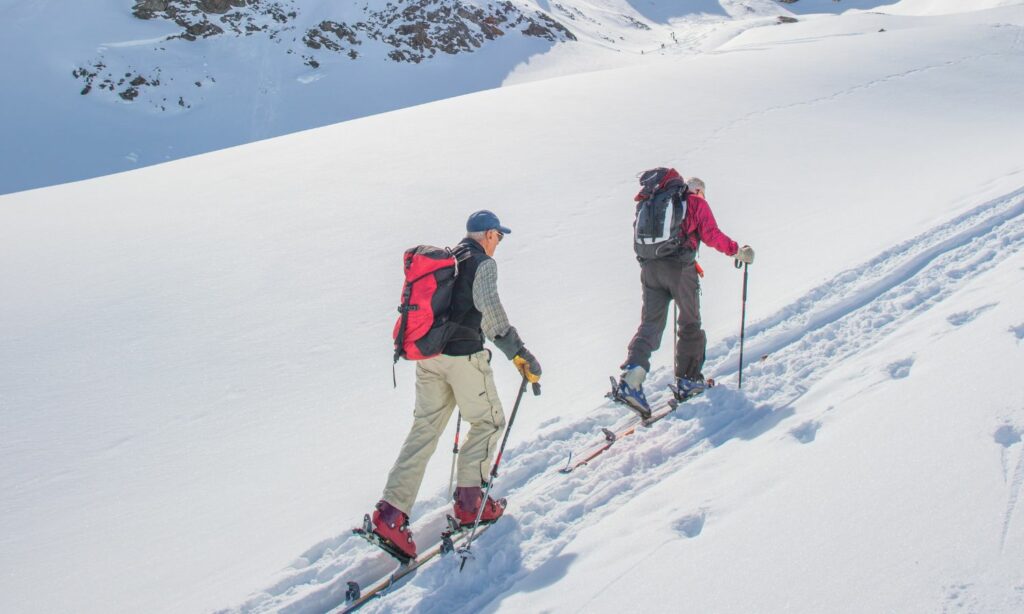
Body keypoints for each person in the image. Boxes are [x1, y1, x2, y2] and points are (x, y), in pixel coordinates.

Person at [370, 210, 542, 560]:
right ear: (489, 234)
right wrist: (520, 355)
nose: (500, 243)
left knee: (425, 429)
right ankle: (470, 501)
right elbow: (492, 316)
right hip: (464, 357)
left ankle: (389, 514)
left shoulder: (451, 258)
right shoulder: (482, 264)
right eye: (499, 236)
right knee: (488, 420)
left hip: (429, 358)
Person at [618, 176, 753, 416]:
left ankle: (632, 379)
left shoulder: (654, 204)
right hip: (680, 269)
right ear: (699, 190)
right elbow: (711, 234)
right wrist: (737, 252)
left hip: (650, 268)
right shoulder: (696, 202)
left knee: (650, 324)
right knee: (690, 322)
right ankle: (689, 381)